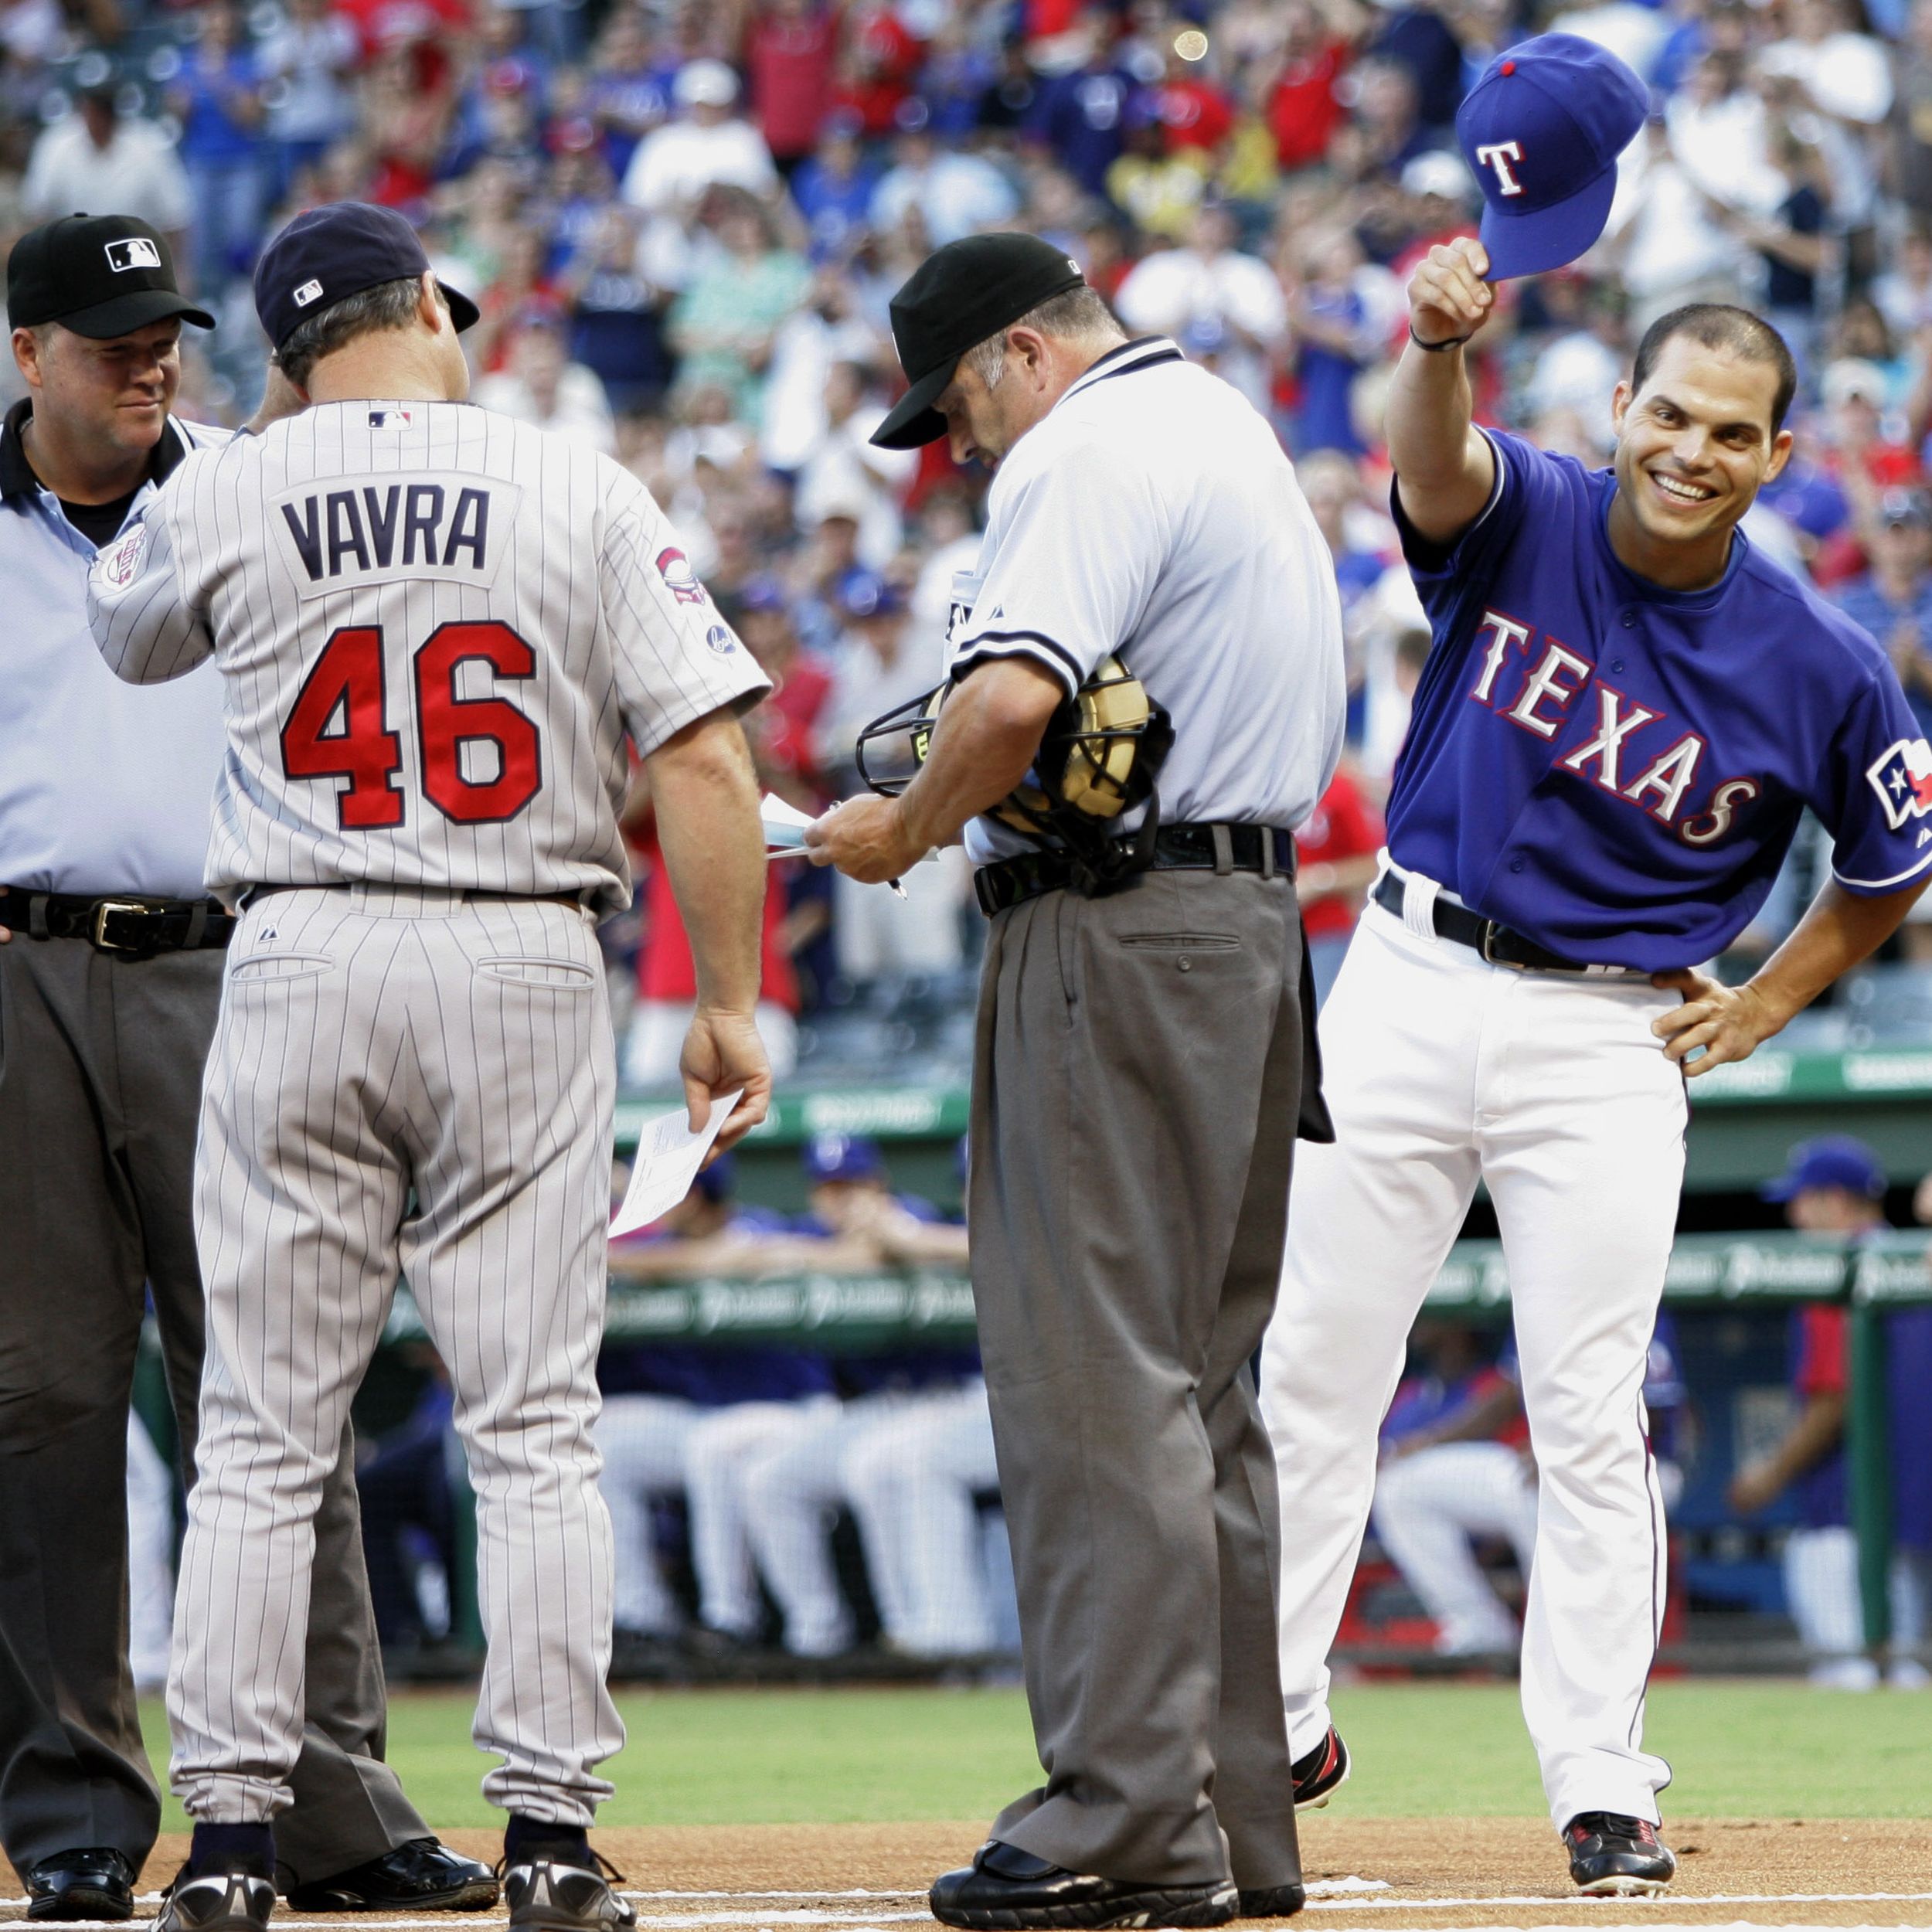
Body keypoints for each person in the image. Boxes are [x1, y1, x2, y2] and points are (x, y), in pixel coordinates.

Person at [87, 199, 773, 1932]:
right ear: (427, 315)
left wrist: (252, 457)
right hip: (518, 947)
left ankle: (233, 1844)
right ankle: (548, 1831)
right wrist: (730, 998)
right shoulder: (577, 484)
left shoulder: (229, 478)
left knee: (257, 1431)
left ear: (287, 349)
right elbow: (698, 751)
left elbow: (125, 631)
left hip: (301, 944)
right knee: (533, 1424)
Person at [1259, 218, 1932, 1893]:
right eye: (1670, 412)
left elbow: (1891, 863)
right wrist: (1431, 346)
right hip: (1407, 969)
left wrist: (1768, 997)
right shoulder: (1535, 509)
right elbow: (1429, 466)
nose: (1691, 451)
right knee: (1308, 1370)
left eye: (1731, 431)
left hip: (1613, 1023)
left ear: (1777, 455)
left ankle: (1600, 1778)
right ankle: (1262, 1720)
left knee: (1588, 1409)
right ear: (1620, 402)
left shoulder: (1822, 662)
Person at [808, 230, 1344, 1929]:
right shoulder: (1218, 422)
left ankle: (1115, 1808)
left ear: (1020, 355)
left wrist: (901, 826)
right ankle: (1212, 1831)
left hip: (1115, 931)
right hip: (1239, 930)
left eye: (955, 405)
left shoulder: (1083, 444)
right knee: (1200, 1391)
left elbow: (1013, 701)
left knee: (1090, 1378)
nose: (956, 447)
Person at [0, 213, 490, 1926]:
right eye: (110, 336)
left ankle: (334, 1803)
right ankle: (72, 1807)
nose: (150, 359)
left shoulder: (250, 480)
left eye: (168, 334)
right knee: (44, 1399)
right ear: (25, 352)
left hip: (236, 956)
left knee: (276, 1386)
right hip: (16, 969)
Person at [1728, 1136, 1932, 1690]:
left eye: (1804, 1200)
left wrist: (1770, 1474)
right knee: (1904, 1662)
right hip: (1904, 1511)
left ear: (1838, 1203)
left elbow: (1834, 1393)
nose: (1795, 1214)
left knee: (1850, 1671)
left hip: (1842, 1511)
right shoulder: (1913, 1257)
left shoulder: (1836, 1266)